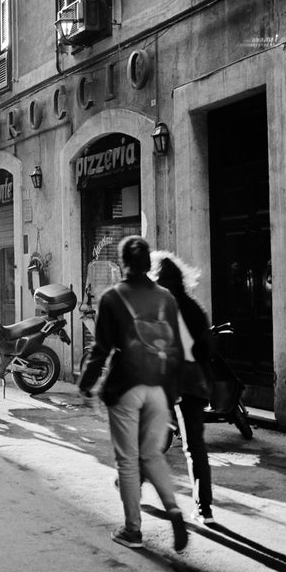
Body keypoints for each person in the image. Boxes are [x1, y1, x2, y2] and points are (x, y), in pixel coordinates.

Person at [77, 235, 189, 552]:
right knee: (151, 455)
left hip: (126, 387)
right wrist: (173, 391)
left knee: (128, 462)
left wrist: (86, 384)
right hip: (158, 389)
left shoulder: (113, 298)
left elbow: (100, 349)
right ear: (148, 263)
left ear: (124, 263)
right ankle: (175, 512)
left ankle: (132, 530)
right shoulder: (166, 298)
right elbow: (177, 348)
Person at [154, 250, 217, 523]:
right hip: (192, 382)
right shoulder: (193, 307)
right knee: (195, 447)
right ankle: (205, 510)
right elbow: (206, 348)